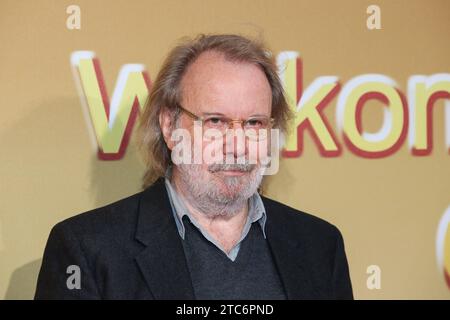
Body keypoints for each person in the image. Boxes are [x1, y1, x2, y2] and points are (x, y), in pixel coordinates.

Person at [35, 34, 353, 299]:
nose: (237, 145)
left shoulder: (320, 245)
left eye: (254, 123)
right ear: (170, 127)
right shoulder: (87, 250)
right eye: (215, 121)